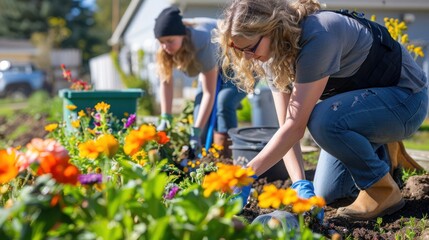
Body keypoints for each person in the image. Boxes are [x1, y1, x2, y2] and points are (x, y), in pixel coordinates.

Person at [215, 0, 428, 221]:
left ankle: (383, 191)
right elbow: (286, 129)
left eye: (250, 48)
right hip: (366, 108)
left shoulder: (319, 35)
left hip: (407, 101)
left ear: (271, 28)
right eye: (241, 51)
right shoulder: (272, 57)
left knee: (323, 121)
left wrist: (247, 173)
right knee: (327, 192)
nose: (248, 57)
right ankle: (382, 152)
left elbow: (296, 127)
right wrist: (299, 184)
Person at [154, 6, 247, 158]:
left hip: (241, 59)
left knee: (224, 102)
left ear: (182, 35)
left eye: (170, 41)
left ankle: (226, 158)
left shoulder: (203, 40)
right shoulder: (163, 48)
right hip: (214, 62)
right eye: (161, 42)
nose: (165, 46)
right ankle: (199, 158)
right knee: (199, 112)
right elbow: (166, 82)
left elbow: (209, 94)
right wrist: (166, 116)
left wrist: (196, 132)